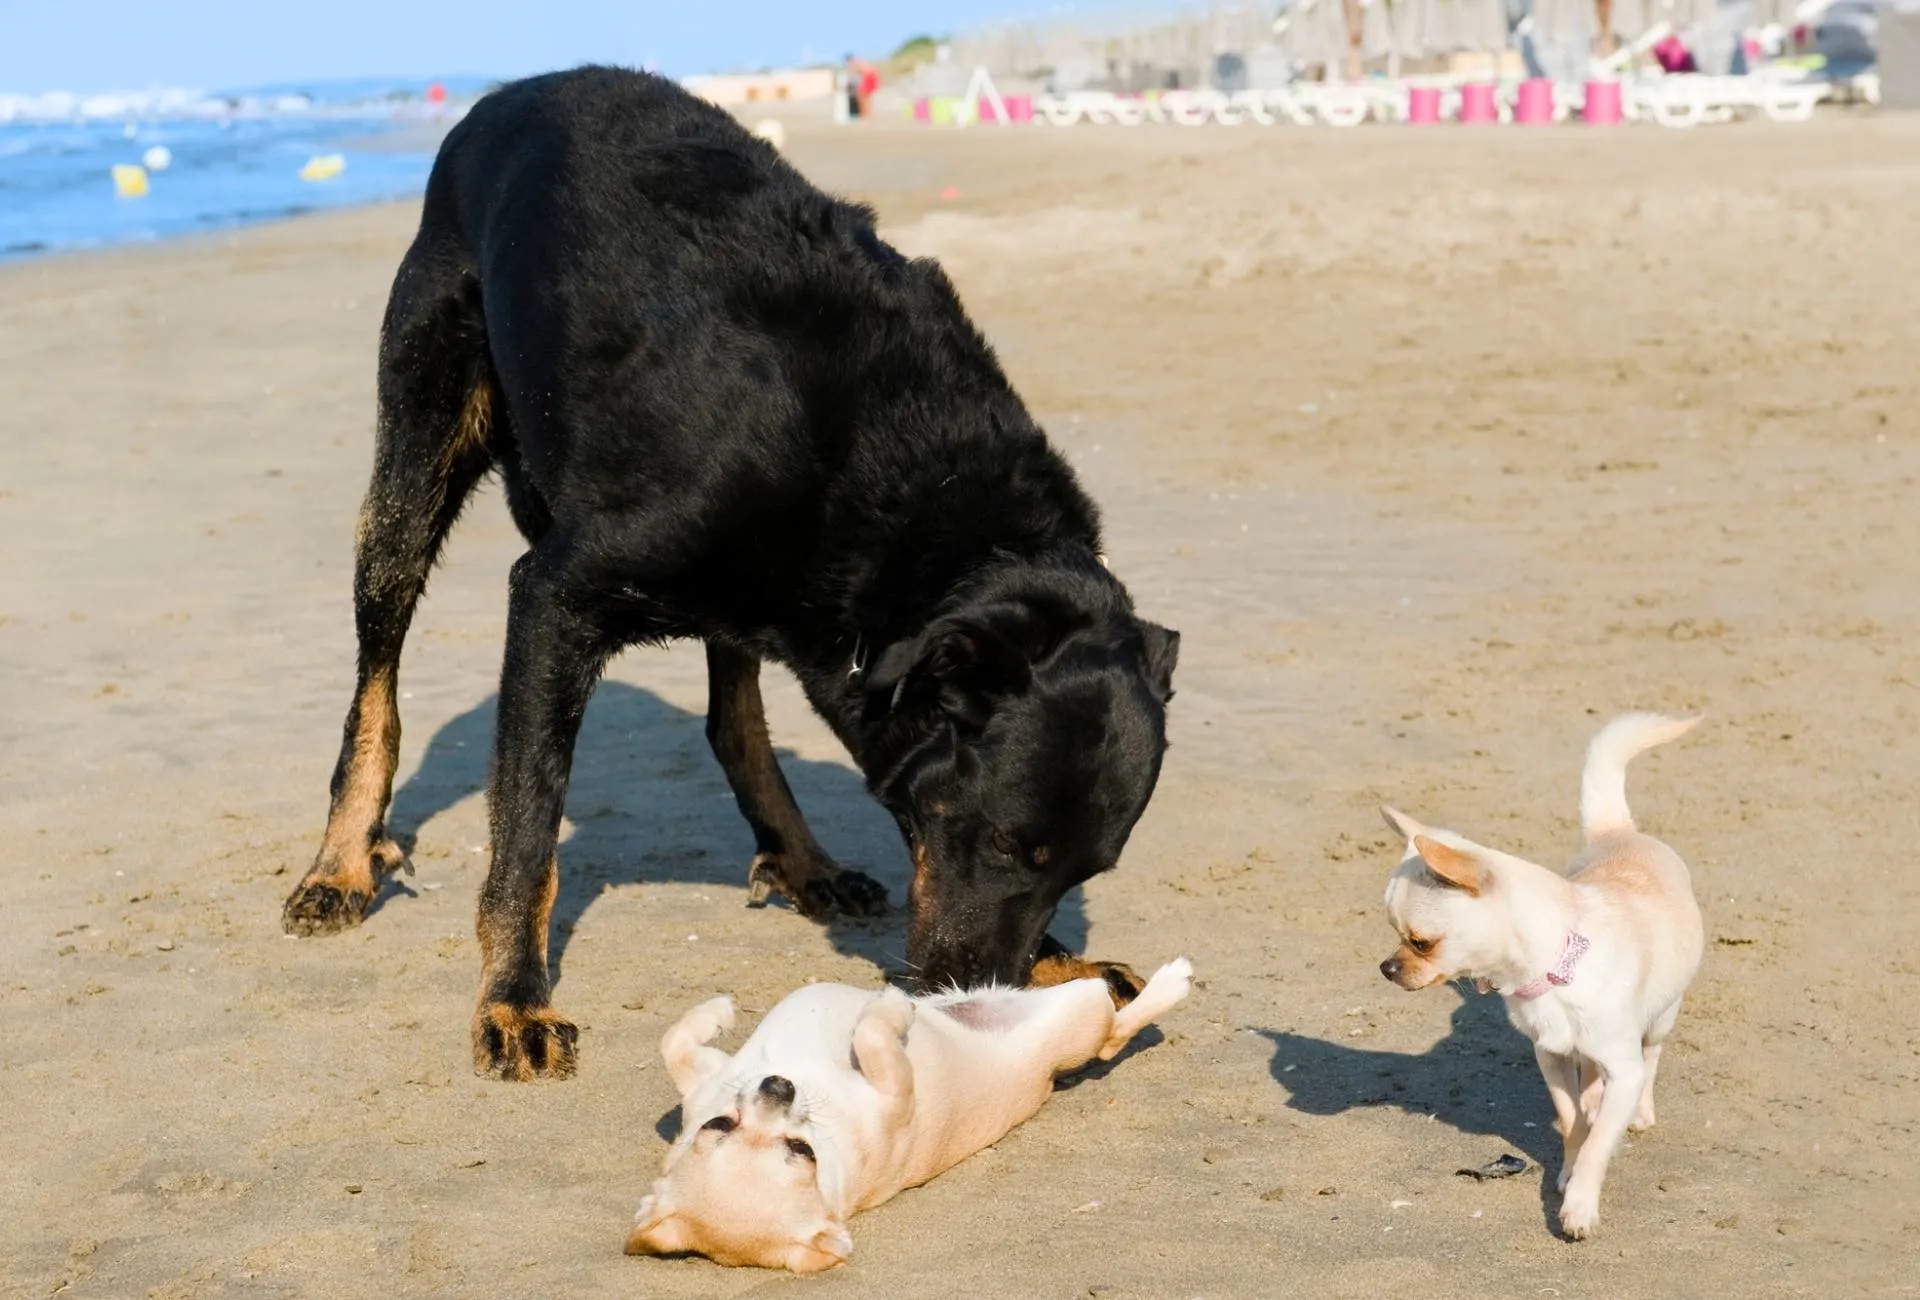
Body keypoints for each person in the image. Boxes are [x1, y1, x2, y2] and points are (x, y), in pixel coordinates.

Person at [843, 53, 879, 119]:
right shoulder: (859, 61)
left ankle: (863, 114)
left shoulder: (853, 63)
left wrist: (847, 85)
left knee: (861, 97)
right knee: (867, 97)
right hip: (873, 76)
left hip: (868, 77)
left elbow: (852, 75)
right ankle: (867, 114)